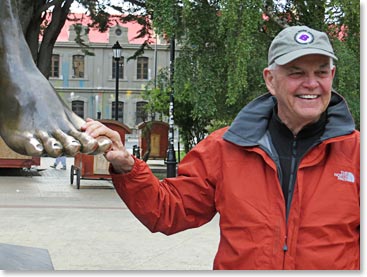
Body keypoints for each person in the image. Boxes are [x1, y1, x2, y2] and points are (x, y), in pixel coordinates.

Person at [81, 26, 360, 270]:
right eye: (296, 73)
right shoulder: (225, 147)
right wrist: (127, 167)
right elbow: (168, 212)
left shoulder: (357, 152)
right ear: (270, 80)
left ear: (332, 75)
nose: (311, 84)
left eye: (321, 72)